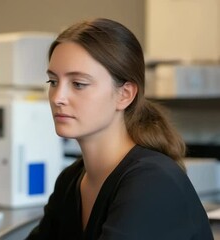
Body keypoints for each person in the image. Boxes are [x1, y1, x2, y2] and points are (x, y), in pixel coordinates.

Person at [26, 18, 213, 240]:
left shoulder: (152, 183)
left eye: (78, 84)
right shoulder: (71, 179)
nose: (58, 97)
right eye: (53, 82)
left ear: (125, 95)